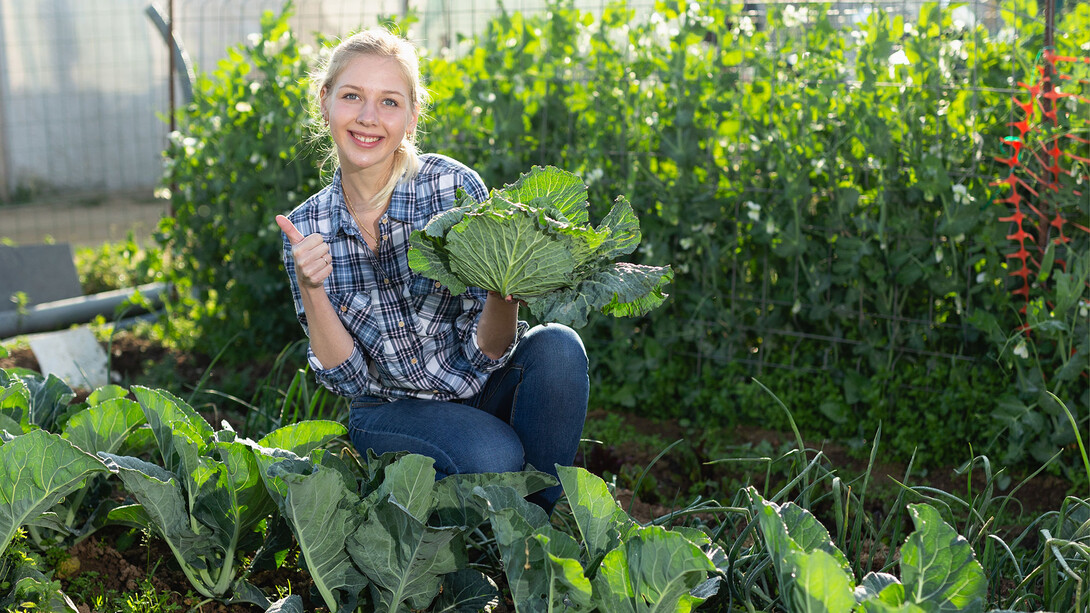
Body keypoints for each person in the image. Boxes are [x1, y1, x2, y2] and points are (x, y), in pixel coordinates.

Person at [274, 27, 588, 513]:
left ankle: (539, 528)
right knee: (495, 454)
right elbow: (349, 380)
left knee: (560, 348)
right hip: (389, 409)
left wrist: (504, 290)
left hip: (480, 383)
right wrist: (312, 287)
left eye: (389, 102)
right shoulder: (306, 226)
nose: (368, 118)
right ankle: (480, 509)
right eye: (352, 96)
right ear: (325, 101)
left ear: (412, 115)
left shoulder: (453, 188)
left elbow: (491, 349)